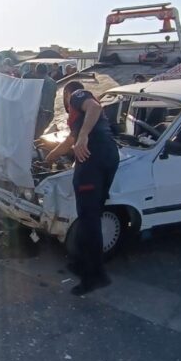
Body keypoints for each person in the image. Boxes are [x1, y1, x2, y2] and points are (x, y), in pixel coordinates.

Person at [44, 81, 118, 296]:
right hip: (106, 157)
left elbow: (95, 107)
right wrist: (53, 155)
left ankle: (95, 276)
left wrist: (84, 136)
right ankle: (79, 263)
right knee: (90, 214)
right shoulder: (80, 118)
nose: (66, 104)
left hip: (93, 160)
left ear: (67, 94)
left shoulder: (77, 94)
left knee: (88, 219)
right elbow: (71, 139)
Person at [34, 64, 58, 138]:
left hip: (41, 114)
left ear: (36, 72)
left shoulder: (38, 83)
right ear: (47, 71)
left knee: (37, 136)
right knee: (44, 134)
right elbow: (54, 96)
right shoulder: (53, 82)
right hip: (50, 112)